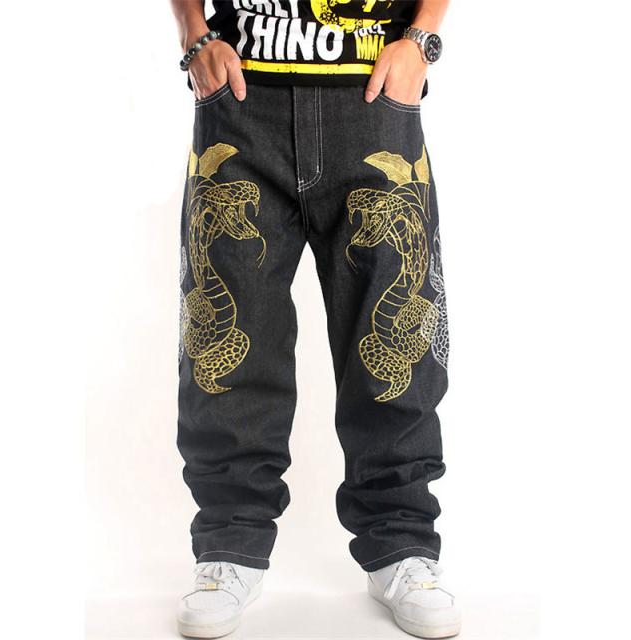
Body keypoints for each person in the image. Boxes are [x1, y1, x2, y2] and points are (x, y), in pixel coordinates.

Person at [171, 1, 460, 637]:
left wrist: (421, 39)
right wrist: (194, 34)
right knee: (226, 340)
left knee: (395, 344)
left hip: (374, 99)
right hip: (241, 98)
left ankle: (402, 542)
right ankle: (229, 543)